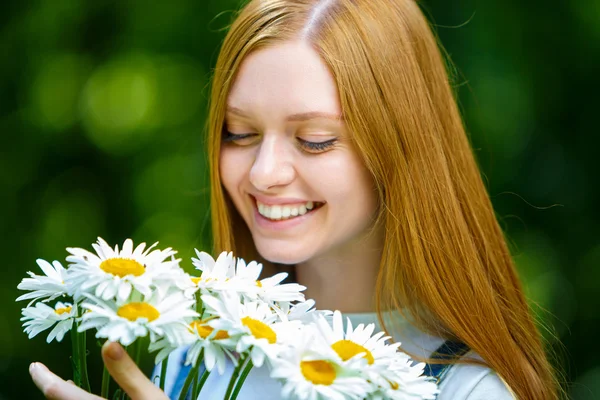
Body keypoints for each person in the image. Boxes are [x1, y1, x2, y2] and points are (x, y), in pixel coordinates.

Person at [29, 0, 562, 399]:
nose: (264, 173)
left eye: (315, 140)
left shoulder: (463, 388)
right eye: (239, 133)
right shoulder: (192, 350)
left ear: (402, 145)